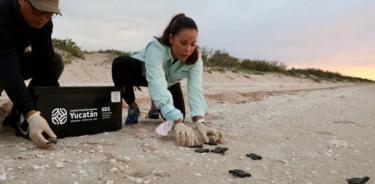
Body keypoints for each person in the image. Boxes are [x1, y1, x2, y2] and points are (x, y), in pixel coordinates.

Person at [112, 13, 225, 147]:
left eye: (193, 44)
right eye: (183, 43)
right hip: (143, 74)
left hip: (169, 83)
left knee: (179, 115)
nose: (188, 49)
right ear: (171, 38)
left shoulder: (195, 58)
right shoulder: (156, 48)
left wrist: (199, 121)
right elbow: (156, 81)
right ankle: (133, 106)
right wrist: (177, 122)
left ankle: (156, 104)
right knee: (121, 64)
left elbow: (195, 89)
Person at [0, 0, 64, 148]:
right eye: (38, 11)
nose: (43, 18)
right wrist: (31, 114)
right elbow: (6, 63)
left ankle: (17, 114)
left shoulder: (45, 24)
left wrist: (54, 100)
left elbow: (45, 61)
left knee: (55, 61)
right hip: (3, 61)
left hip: (11, 59)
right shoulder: (3, 11)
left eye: (50, 14)